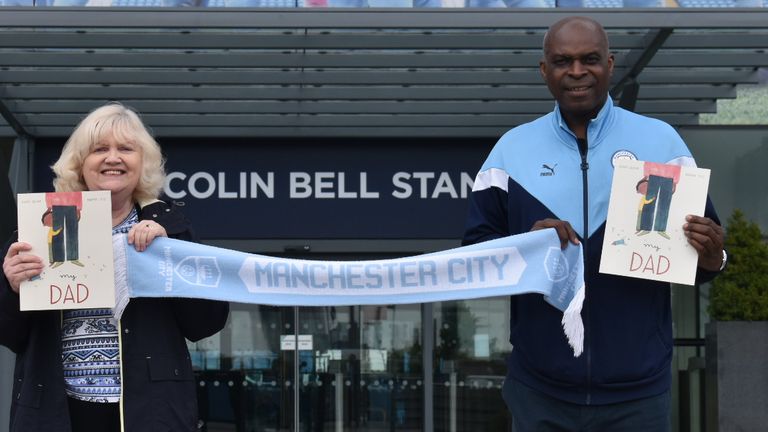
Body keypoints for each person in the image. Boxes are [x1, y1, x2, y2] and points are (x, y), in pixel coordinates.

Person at [462, 17, 726, 431]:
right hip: (539, 392)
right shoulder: (509, 152)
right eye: (562, 61)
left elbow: (701, 259)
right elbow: (475, 258)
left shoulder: (662, 143)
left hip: (638, 394)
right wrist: (526, 245)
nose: (577, 71)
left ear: (611, 63)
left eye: (590, 59)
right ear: (544, 69)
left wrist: (714, 257)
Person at [0, 102, 230, 432]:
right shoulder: (39, 227)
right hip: (57, 409)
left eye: (126, 148)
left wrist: (170, 259)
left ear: (143, 163)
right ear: (80, 164)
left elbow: (207, 323)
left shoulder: (171, 229)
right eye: (99, 149)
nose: (113, 158)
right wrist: (11, 287)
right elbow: (8, 334)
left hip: (148, 409)